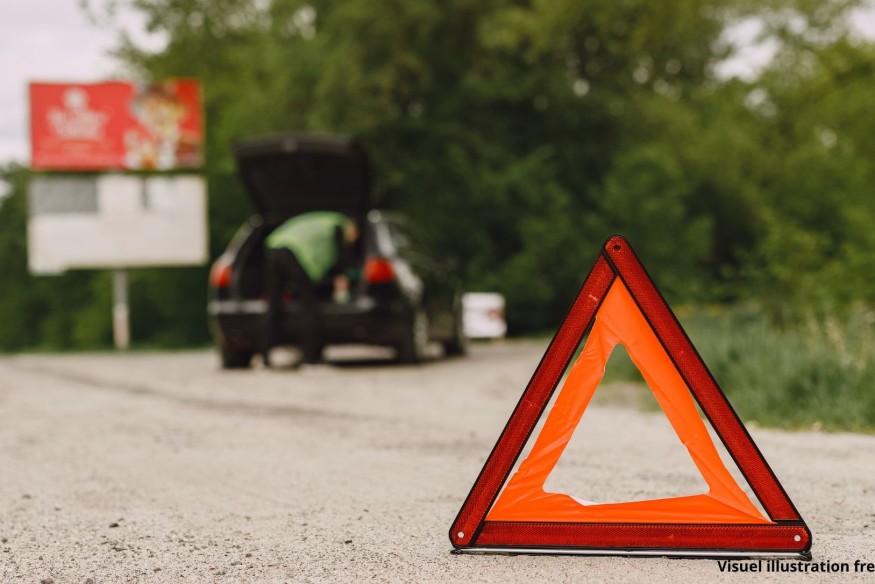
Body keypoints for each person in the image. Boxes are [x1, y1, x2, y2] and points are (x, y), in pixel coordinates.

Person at [262, 211, 360, 366]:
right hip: (296, 253)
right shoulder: (338, 225)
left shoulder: (319, 219)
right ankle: (310, 356)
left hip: (274, 247)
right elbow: (341, 257)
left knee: (273, 304)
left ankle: (265, 357)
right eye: (354, 236)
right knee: (308, 304)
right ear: (352, 227)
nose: (352, 240)